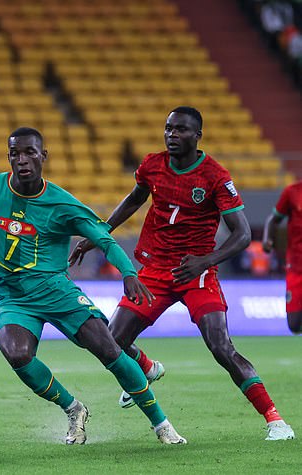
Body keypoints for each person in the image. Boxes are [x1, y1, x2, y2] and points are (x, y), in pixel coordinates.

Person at [0, 127, 186, 445]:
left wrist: (129, 272)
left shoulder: (61, 203)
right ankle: (74, 409)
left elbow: (102, 237)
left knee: (108, 350)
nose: (22, 159)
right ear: (8, 156)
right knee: (17, 353)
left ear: (42, 156)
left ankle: (161, 425)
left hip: (56, 291)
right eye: (15, 153)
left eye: (29, 152)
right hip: (10, 296)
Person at [69, 106, 295, 441]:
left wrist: (206, 260)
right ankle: (146, 367)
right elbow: (133, 201)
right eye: (169, 128)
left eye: (181, 130)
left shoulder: (215, 176)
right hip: (156, 269)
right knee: (111, 341)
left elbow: (243, 235)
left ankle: (276, 420)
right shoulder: (152, 165)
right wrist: (98, 236)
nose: (172, 135)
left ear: (197, 136)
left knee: (220, 346)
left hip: (197, 273)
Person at [263, 179, 302, 334]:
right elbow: (273, 219)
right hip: (296, 265)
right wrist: (267, 239)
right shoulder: (292, 191)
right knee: (294, 324)